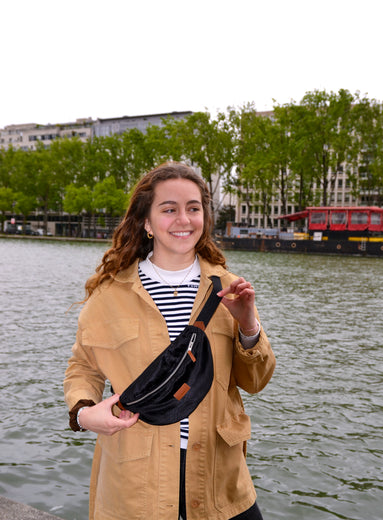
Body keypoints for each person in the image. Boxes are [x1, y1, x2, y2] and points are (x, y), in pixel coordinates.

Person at [64, 162, 276, 520]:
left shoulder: (227, 286)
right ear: (146, 222)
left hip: (218, 477)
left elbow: (256, 382)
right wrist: (85, 413)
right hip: (134, 479)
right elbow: (83, 368)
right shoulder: (109, 294)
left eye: (193, 208)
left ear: (205, 217)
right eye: (169, 209)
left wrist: (248, 325)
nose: (184, 219)